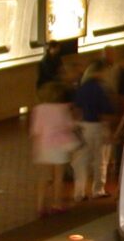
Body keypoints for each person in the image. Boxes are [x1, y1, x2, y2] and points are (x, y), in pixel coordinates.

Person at [30, 78, 77, 217]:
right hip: (59, 147)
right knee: (58, 177)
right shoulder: (63, 109)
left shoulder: (38, 109)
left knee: (43, 177)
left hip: (43, 146)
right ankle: (57, 204)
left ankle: (40, 206)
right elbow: (69, 125)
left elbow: (36, 130)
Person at [72, 59, 114, 200]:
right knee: (100, 160)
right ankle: (98, 190)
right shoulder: (101, 88)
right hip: (98, 126)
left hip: (84, 126)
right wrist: (108, 130)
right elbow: (105, 111)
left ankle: (79, 192)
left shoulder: (82, 88)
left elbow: (77, 109)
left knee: (82, 160)